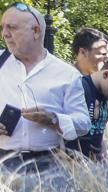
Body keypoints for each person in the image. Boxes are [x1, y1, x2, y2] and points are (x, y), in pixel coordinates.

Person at [0, 4, 89, 171]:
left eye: (12, 27)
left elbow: (83, 123)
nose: (5, 33)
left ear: (36, 31)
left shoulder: (66, 74)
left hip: (48, 165)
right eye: (2, 27)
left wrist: (54, 119)